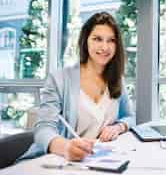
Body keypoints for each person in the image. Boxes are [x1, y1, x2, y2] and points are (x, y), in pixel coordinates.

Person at [21, 12, 135, 161]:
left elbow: (130, 117)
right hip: (56, 160)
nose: (105, 47)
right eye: (97, 39)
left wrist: (117, 127)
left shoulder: (117, 79)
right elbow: (43, 129)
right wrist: (66, 147)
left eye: (111, 40)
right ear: (85, 41)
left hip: (96, 159)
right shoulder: (59, 79)